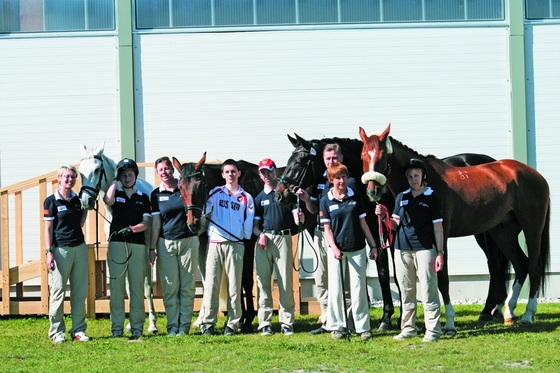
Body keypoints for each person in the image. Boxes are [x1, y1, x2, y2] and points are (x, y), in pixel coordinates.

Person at [375, 158, 444, 343]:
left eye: (417, 175)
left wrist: (440, 253)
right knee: (406, 291)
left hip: (425, 249)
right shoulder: (401, 197)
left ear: (423, 177)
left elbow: (438, 228)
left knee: (428, 289)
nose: (414, 179)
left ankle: (433, 330)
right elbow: (395, 225)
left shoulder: (432, 197)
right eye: (410, 176)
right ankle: (408, 328)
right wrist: (384, 218)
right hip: (401, 249)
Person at [295, 143, 359, 335]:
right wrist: (307, 199)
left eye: (334, 157)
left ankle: (347, 322)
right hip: (320, 234)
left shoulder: (350, 182)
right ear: (323, 160)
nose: (331, 161)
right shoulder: (318, 181)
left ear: (341, 158)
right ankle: (327, 319)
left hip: (341, 236)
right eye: (328, 158)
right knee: (321, 279)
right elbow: (315, 209)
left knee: (343, 281)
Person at [319, 163, 378, 341]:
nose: (341, 181)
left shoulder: (355, 195)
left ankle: (362, 328)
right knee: (336, 290)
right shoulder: (325, 200)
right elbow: (327, 229)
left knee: (358, 289)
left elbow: (363, 223)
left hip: (357, 248)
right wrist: (335, 248)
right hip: (336, 251)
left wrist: (373, 245)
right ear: (331, 180)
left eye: (343, 177)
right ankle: (337, 326)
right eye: (337, 178)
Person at [198, 159, 255, 336]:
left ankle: (233, 323)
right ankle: (208, 322)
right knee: (212, 284)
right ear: (222, 174)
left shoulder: (246, 197)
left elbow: (249, 223)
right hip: (215, 243)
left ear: (238, 173)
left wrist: (242, 236)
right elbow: (205, 212)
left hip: (236, 245)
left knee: (234, 286)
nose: (230, 175)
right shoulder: (214, 193)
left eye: (233, 171)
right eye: (227, 172)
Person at [149, 156, 199, 336]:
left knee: (187, 287)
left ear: (173, 169)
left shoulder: (183, 186)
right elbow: (155, 224)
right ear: (157, 172)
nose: (164, 172)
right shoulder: (155, 194)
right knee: (170, 288)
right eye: (160, 169)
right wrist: (152, 249)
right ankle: (172, 326)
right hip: (166, 243)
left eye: (167, 168)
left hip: (188, 241)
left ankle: (184, 326)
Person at [252, 158, 302, 336]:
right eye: (263, 172)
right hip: (265, 241)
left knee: (286, 283)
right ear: (260, 175)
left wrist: (299, 217)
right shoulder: (258, 199)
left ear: (276, 172)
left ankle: (286, 322)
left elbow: (297, 216)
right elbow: (255, 227)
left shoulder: (286, 194)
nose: (267, 175)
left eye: (269, 171)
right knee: (263, 283)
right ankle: (265, 322)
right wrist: (260, 235)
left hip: (284, 239)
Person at [104, 158, 151, 340]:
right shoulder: (117, 194)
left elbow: (147, 222)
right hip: (117, 245)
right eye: (123, 175)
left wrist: (133, 229)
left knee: (137, 288)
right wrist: (114, 181)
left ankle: (137, 328)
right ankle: (117, 328)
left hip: (137, 245)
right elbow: (108, 200)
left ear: (136, 176)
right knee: (116, 288)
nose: (127, 178)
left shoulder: (143, 198)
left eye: (130, 174)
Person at [44, 165, 89, 344]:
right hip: (60, 250)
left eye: (73, 177)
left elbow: (81, 222)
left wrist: (86, 207)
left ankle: (78, 329)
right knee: (58, 291)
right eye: (66, 177)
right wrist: (49, 252)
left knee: (79, 291)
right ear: (59, 178)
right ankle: (56, 331)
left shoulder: (77, 200)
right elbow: (48, 229)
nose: (70, 180)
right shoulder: (51, 201)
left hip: (79, 248)